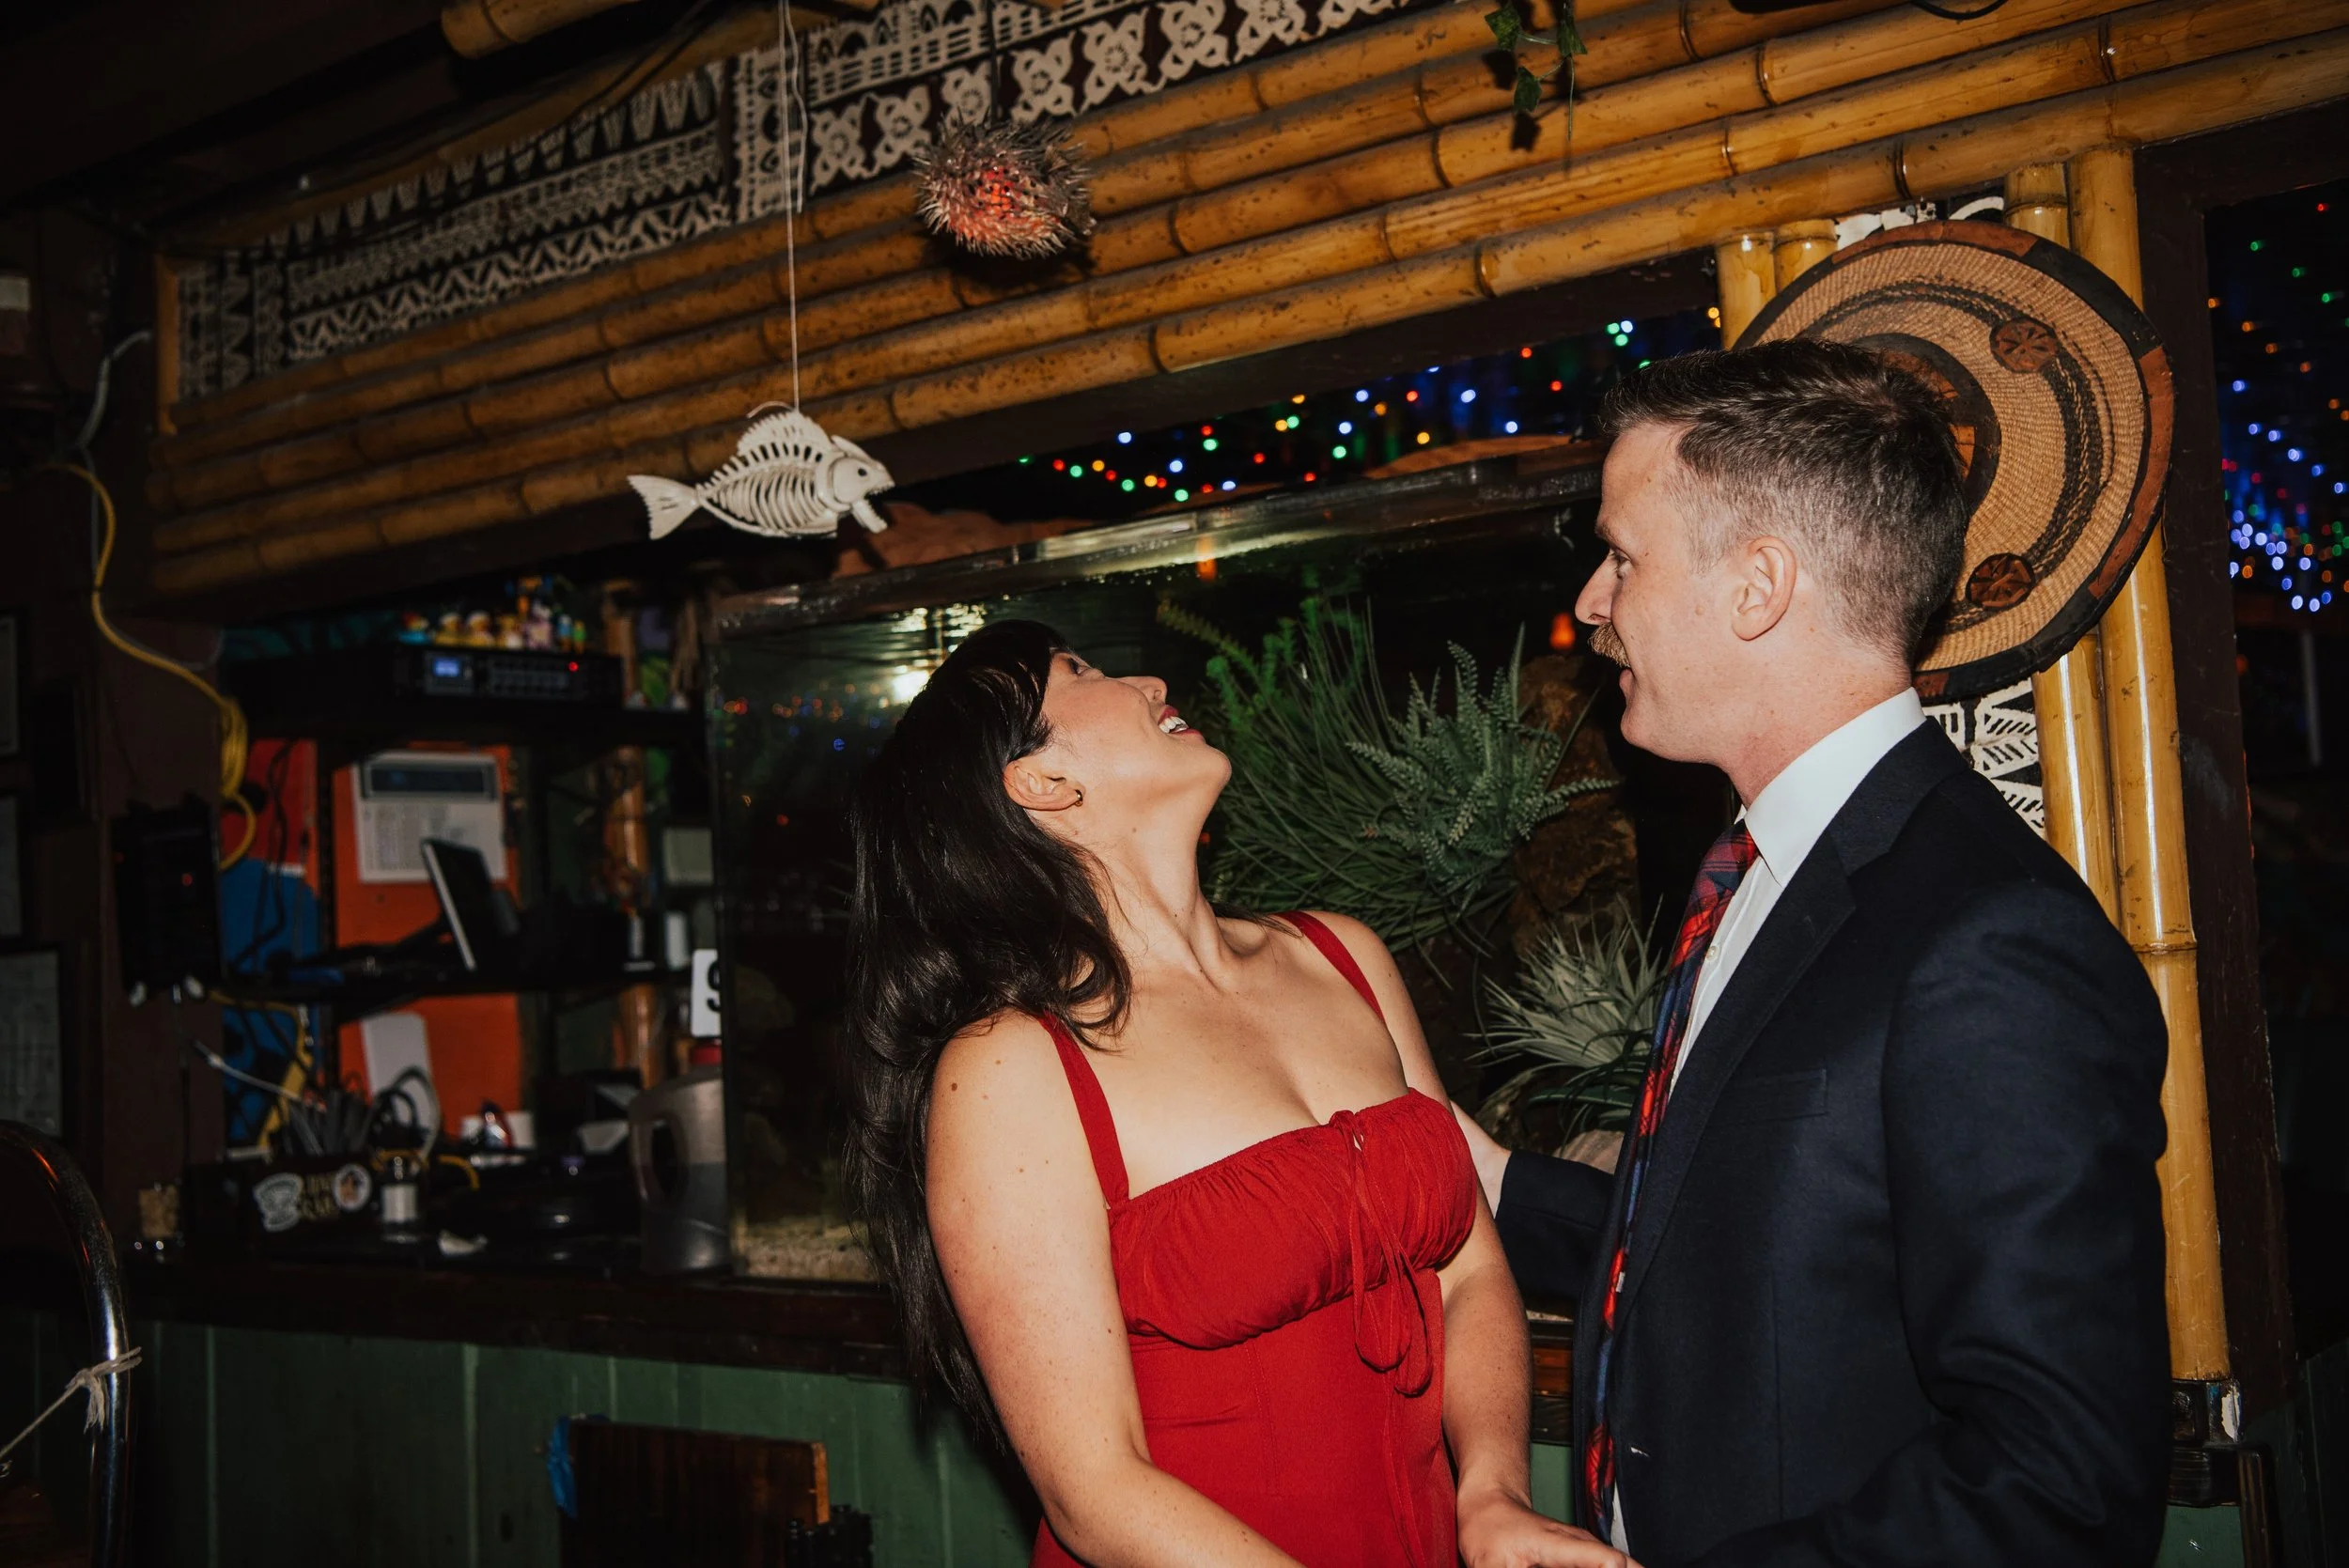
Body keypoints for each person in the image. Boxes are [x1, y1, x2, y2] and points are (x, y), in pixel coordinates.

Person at [1454, 338, 2174, 1566]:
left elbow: (2062, 1479)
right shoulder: (1754, 870)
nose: (1590, 601)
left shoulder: (1985, 937)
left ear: (1758, 586)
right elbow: (1756, 1237)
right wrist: (1490, 1182)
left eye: (1622, 555)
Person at [841, 619, 1628, 1568]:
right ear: (1043, 784)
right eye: (1083, 669)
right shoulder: (1013, 1064)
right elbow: (1093, 1489)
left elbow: (1467, 1269)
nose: (1146, 676)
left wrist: (1492, 1493)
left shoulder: (1344, 959)